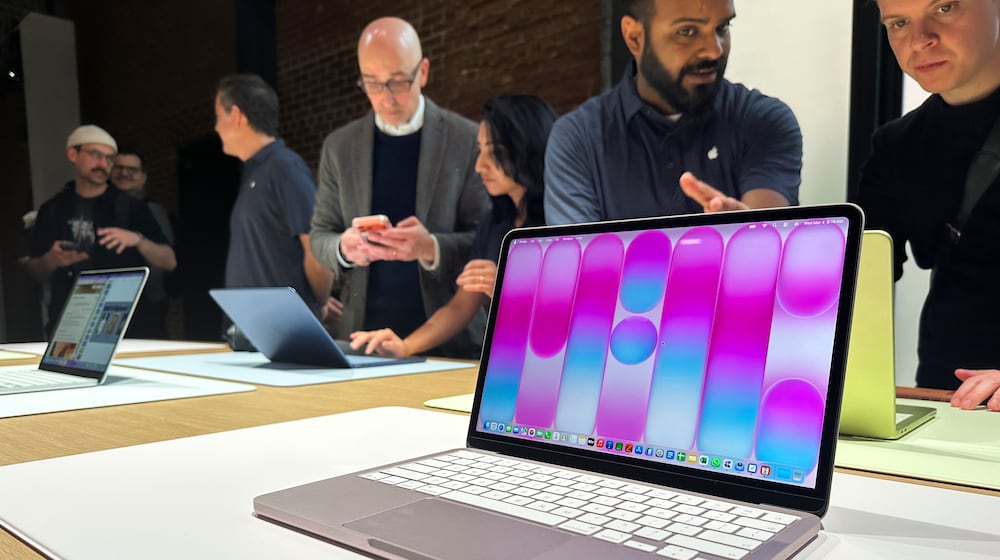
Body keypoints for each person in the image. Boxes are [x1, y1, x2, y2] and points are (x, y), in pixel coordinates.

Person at [310, 17, 491, 359]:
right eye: (372, 84)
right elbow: (319, 235)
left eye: (397, 82)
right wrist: (343, 248)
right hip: (363, 337)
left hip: (448, 340)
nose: (385, 97)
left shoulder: (464, 139)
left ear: (422, 72)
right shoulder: (340, 146)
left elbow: (484, 240)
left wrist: (431, 247)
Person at [857, 0, 1000, 411]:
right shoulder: (897, 144)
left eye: (945, 7)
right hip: (946, 396)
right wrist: (763, 240)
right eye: (899, 23)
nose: (920, 40)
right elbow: (863, 274)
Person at [544, 0, 801, 225]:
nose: (714, 50)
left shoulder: (762, 121)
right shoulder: (579, 138)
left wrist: (750, 236)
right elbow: (581, 271)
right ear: (634, 37)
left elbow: (766, 242)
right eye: (687, 31)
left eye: (722, 27)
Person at [349, 94, 557, 357]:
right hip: (505, 362)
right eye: (480, 149)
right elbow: (460, 307)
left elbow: (578, 311)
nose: (479, 165)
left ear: (528, 148)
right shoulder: (493, 222)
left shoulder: (561, 220)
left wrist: (514, 288)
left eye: (495, 152)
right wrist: (404, 346)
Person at [25, 125, 176, 336]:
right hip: (70, 320)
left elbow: (169, 260)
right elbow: (33, 270)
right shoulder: (53, 210)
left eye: (109, 158)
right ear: (73, 154)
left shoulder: (132, 207)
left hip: (126, 323)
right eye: (95, 154)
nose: (103, 164)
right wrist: (51, 260)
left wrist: (138, 240)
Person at [213, 74, 336, 331]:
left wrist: (318, 302)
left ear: (236, 115)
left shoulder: (284, 168)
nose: (216, 128)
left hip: (281, 332)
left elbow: (316, 246)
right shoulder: (256, 173)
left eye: (218, 117)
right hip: (253, 332)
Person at [111, 148, 175, 338]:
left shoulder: (151, 210)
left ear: (143, 177)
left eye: (132, 170)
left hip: (144, 301)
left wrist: (146, 292)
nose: (124, 173)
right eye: (119, 168)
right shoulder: (103, 207)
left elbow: (164, 258)